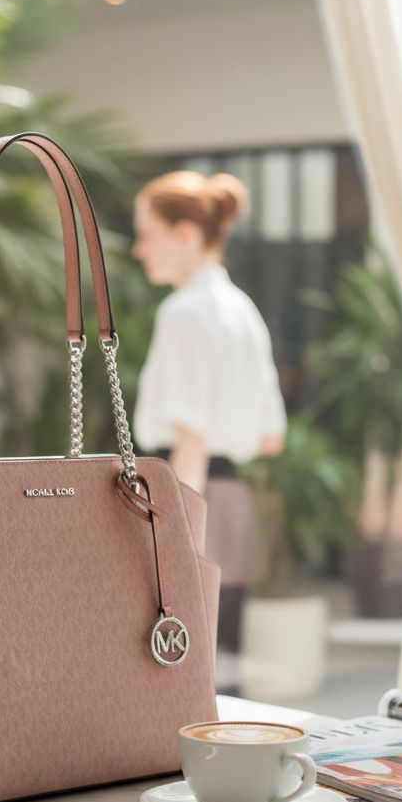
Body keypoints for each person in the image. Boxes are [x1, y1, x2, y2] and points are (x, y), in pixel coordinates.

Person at [131, 170, 286, 690]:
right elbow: (271, 437)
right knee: (225, 664)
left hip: (189, 493)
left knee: (182, 665)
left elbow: (190, 437)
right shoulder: (244, 311)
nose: (137, 250)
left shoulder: (183, 312)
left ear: (185, 235)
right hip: (233, 499)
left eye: (146, 234)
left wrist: (175, 527)